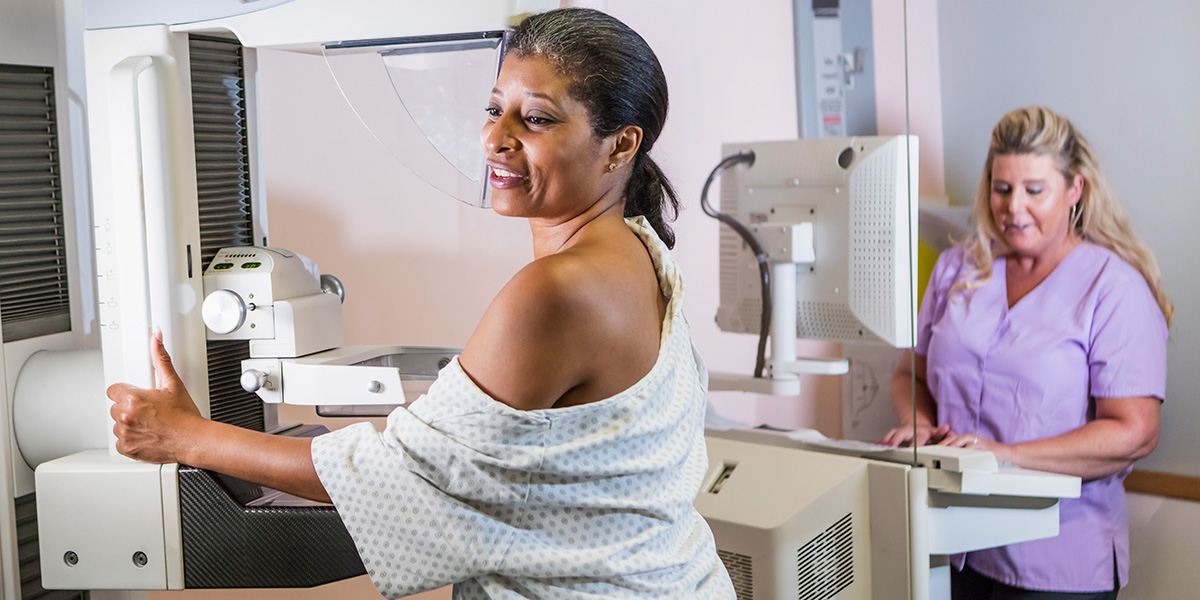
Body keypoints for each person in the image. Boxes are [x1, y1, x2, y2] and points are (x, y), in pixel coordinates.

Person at [107, 8, 734, 599]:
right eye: (495, 108)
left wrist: (184, 436)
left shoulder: (557, 292)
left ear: (621, 145)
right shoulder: (640, 250)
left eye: (536, 119)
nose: (496, 138)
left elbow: (400, 480)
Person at [882, 106, 1171, 599]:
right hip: (950, 543)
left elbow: (1135, 433)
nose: (1014, 207)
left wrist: (1005, 457)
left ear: (1075, 190)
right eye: (1002, 188)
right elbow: (911, 374)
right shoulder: (958, 268)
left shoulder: (1113, 288)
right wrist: (919, 424)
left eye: (1035, 190)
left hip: (1057, 561)